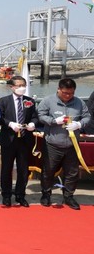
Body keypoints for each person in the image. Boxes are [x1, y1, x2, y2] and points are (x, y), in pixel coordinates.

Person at [37, 78, 91, 210]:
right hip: (53, 143)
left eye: (71, 93)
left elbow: (87, 117)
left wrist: (79, 124)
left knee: (72, 172)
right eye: (65, 93)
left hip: (72, 144)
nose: (68, 96)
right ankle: (46, 194)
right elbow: (40, 115)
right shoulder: (48, 101)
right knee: (48, 171)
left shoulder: (79, 102)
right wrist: (54, 121)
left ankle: (68, 196)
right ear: (59, 90)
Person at [0, 75, 38, 207]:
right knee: (6, 169)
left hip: (25, 140)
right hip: (8, 140)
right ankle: (6, 195)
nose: (21, 88)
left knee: (23, 169)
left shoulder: (30, 101)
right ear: (11, 87)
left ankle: (20, 195)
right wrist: (10, 124)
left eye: (23, 85)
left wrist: (32, 124)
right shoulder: (3, 101)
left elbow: (35, 117)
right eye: (18, 86)